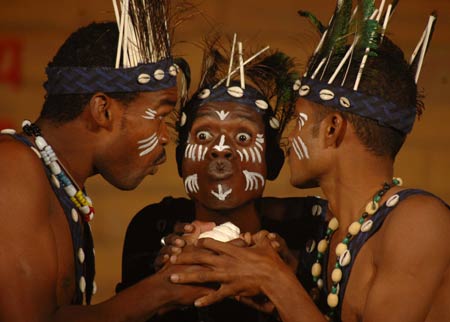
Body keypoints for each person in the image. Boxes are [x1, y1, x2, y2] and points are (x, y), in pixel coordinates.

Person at [166, 1, 450, 322]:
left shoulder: (417, 220)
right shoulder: (328, 235)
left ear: (332, 129)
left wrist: (275, 280)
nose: (289, 141)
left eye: (299, 122)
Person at [0, 1, 214, 321]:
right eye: (159, 115)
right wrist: (161, 291)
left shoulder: (57, 183)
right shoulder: (12, 167)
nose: (165, 136)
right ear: (103, 110)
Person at [116, 34, 328, 322]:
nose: (220, 150)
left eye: (243, 137)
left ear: (272, 162)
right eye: (203, 135)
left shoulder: (310, 230)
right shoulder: (154, 228)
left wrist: (285, 278)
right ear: (181, 161)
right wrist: (163, 281)